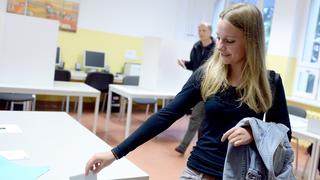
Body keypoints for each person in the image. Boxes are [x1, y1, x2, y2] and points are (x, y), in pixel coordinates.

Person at [85, 3, 292, 179]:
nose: (220, 46)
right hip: (198, 171)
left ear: (251, 41)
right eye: (218, 38)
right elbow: (166, 115)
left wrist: (253, 133)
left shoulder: (269, 82)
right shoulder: (207, 74)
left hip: (244, 173)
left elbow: (284, 132)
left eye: (229, 41)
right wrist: (115, 153)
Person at [175, 22, 216, 155]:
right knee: (196, 117)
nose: (201, 32)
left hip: (212, 87)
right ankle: (185, 146)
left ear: (210, 32)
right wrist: (185, 64)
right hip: (197, 86)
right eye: (199, 30)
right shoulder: (196, 46)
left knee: (205, 119)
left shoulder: (216, 48)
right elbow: (194, 65)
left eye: (203, 30)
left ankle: (196, 147)